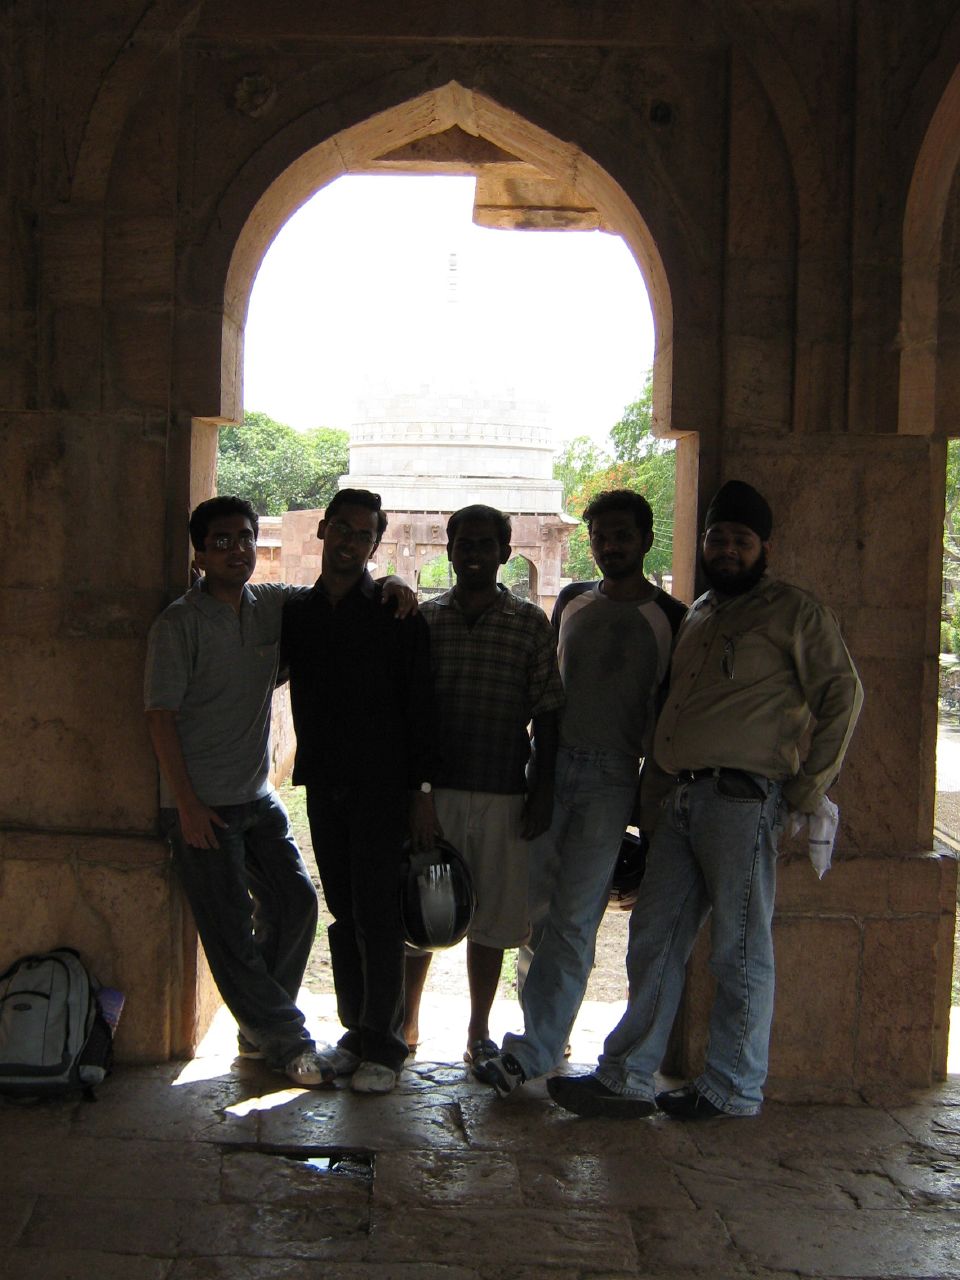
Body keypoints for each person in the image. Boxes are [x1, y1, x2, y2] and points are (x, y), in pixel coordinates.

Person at [548, 479, 863, 1120]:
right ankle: (628, 1076)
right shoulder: (700, 613)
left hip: (744, 802)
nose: (726, 550)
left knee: (738, 950)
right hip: (683, 801)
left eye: (740, 541)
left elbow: (843, 695)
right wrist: (653, 802)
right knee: (653, 940)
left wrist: (805, 789)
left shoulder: (794, 613)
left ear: (764, 547)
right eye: (717, 539)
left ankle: (732, 1086)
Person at [478, 489, 687, 1096]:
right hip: (552, 763)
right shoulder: (572, 601)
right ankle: (544, 1030)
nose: (610, 546)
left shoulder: (670, 618)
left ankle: (531, 1051)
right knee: (535, 911)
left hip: (612, 775)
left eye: (622, 535)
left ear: (646, 540)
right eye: (600, 537)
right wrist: (538, 775)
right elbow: (546, 689)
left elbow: (669, 712)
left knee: (574, 917)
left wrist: (649, 809)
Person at [144, 496, 328, 1086]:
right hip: (201, 805)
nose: (237, 550)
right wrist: (189, 806)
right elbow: (160, 718)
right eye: (221, 541)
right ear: (199, 553)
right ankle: (288, 1040)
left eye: (245, 538)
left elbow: (335, 598)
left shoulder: (269, 605)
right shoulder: (180, 623)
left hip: (256, 797)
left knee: (297, 902)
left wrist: (396, 581)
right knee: (229, 933)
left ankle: (259, 1027)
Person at [281, 489, 436, 1095]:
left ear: (375, 544)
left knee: (377, 914)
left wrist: (421, 791)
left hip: (381, 787)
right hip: (325, 782)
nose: (349, 542)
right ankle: (357, 1031)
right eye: (340, 529)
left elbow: (420, 707)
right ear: (323, 530)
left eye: (363, 534)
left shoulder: (396, 613)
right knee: (344, 912)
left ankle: (386, 1045)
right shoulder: (301, 612)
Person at [401, 504, 564, 1075]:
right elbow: (409, 717)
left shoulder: (528, 623)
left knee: (491, 919)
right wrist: (417, 796)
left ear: (505, 551)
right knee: (424, 911)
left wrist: (541, 791)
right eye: (463, 544)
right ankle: (407, 1022)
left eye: (484, 545)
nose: (473, 554)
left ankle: (478, 1031)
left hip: (502, 792)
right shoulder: (424, 620)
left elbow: (547, 714)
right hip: (436, 796)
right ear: (448, 552)